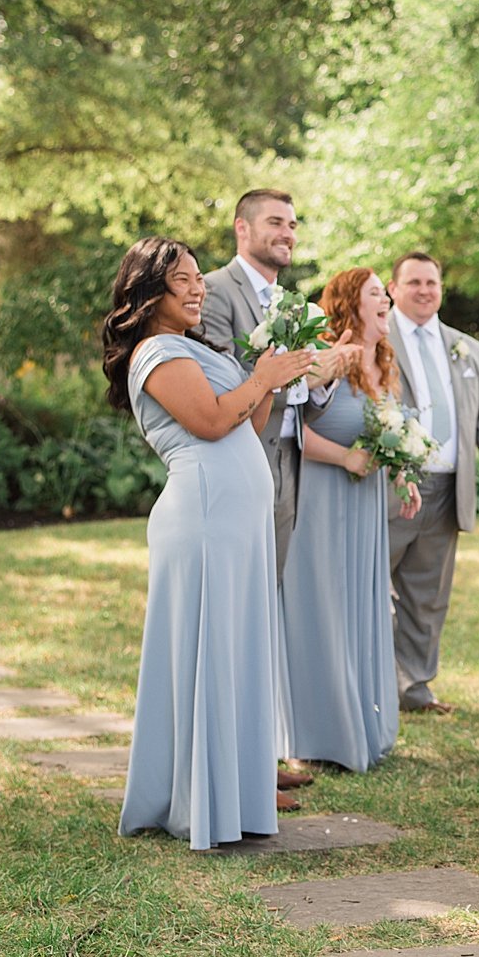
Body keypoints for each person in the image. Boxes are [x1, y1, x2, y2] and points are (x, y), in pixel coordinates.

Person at [108, 237, 316, 850]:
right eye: (184, 281)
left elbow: (247, 426)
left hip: (236, 519)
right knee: (210, 649)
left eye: (201, 278)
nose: (199, 289)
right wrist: (261, 375)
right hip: (203, 515)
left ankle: (235, 789)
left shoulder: (195, 348)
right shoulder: (154, 351)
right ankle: (198, 797)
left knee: (235, 649)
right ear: (149, 293)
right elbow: (209, 422)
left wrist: (272, 381)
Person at [195, 188, 355, 805]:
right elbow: (219, 380)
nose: (287, 232)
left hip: (288, 464)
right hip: (241, 462)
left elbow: (302, 391)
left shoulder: (292, 302)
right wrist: (285, 373)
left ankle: (258, 750)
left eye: (292, 223)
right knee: (235, 610)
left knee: (265, 608)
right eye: (274, 223)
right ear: (242, 228)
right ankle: (235, 764)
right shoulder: (211, 293)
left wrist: (324, 378)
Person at [281, 268, 422, 773]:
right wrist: (344, 459)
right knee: (320, 611)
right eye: (375, 294)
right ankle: (317, 736)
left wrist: (403, 472)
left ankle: (360, 724)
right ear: (349, 304)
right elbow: (293, 431)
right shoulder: (327, 354)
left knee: (361, 609)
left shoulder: (385, 363)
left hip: (365, 506)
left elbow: (394, 429)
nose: (386, 300)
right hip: (321, 500)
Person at [386, 251, 479, 715]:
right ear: (393, 289)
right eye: (414, 282)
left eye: (432, 282)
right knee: (367, 589)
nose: (425, 290)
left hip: (447, 489)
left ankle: (414, 689)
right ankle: (366, 687)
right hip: (389, 487)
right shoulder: (375, 336)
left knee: (426, 597)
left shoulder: (466, 348)